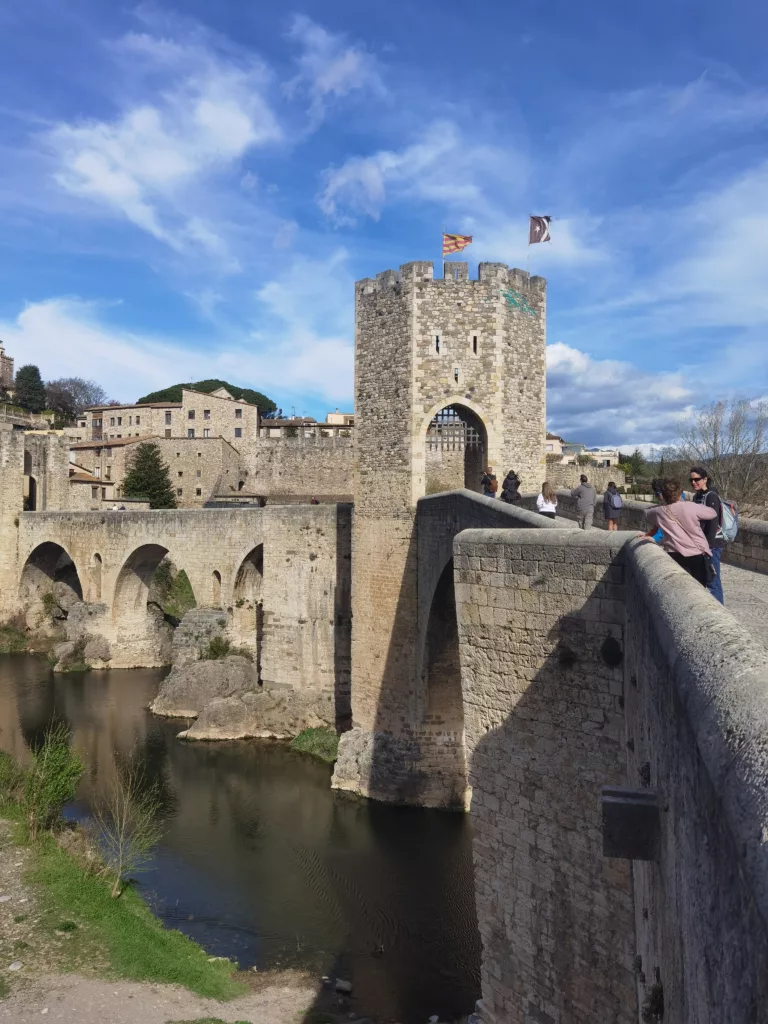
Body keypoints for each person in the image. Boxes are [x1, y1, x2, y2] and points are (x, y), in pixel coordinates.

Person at [639, 478, 717, 586]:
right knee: (699, 587)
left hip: (674, 553)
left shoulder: (659, 511)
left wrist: (663, 504)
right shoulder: (691, 507)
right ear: (680, 493)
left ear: (663, 495)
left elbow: (646, 512)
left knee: (680, 585)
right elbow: (712, 513)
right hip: (696, 554)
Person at [689, 466, 725, 605]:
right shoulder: (696, 497)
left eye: (697, 479)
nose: (693, 482)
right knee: (702, 578)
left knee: (713, 580)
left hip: (712, 545)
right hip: (701, 544)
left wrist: (707, 547)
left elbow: (713, 524)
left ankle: (720, 611)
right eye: (691, 480)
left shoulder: (711, 496)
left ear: (705, 479)